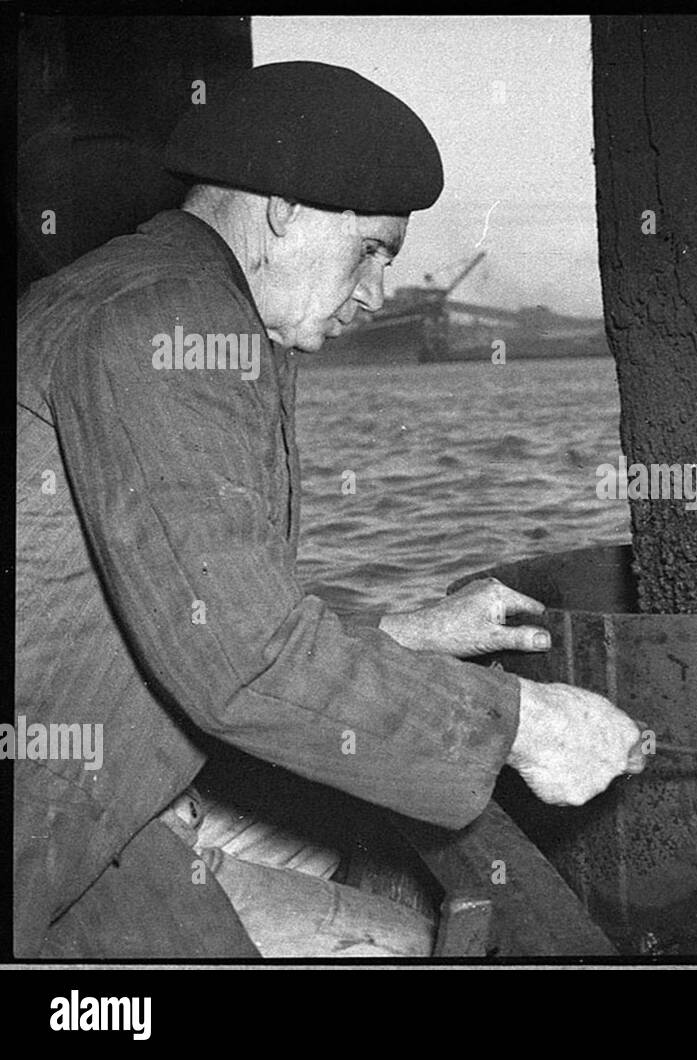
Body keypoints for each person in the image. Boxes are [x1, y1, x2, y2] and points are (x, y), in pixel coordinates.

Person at [14, 60, 643, 958]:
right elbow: (244, 666)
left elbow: (200, 609)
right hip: (50, 835)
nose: (377, 293)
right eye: (375, 251)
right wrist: (525, 727)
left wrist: (409, 630)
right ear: (286, 209)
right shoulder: (170, 323)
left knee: (391, 933)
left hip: (102, 783)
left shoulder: (155, 294)